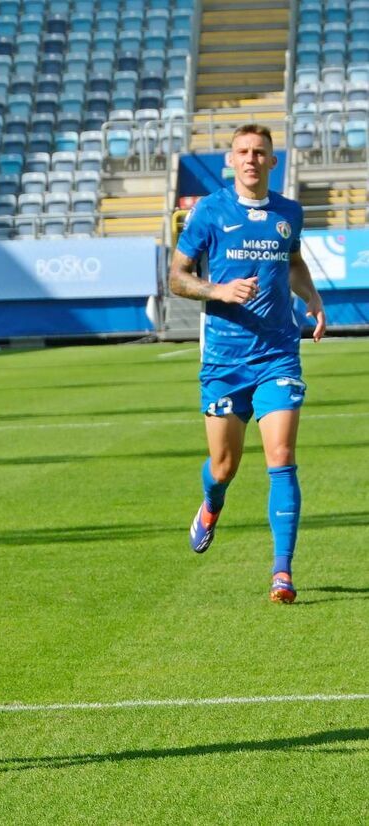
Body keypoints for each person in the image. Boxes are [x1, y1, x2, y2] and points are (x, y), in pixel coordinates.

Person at [169, 124, 326, 604]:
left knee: (281, 457)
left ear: (272, 162)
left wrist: (313, 300)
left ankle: (282, 571)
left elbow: (293, 261)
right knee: (224, 466)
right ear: (231, 162)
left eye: (260, 152)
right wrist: (217, 290)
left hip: (278, 351)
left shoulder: (288, 213)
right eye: (243, 152)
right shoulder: (210, 212)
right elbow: (177, 277)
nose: (252, 159)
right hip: (224, 359)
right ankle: (212, 504)